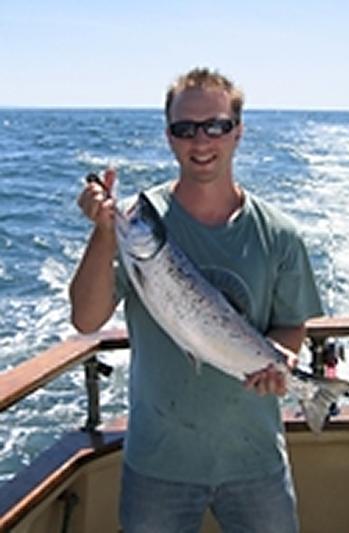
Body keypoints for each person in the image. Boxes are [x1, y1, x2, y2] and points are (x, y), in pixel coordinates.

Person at [69, 68, 323, 533]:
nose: (201, 140)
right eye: (185, 128)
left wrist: (281, 360)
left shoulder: (279, 234)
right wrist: (104, 233)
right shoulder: (137, 222)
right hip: (158, 462)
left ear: (238, 131)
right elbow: (86, 320)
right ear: (169, 135)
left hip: (256, 459)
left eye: (216, 126)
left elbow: (291, 324)